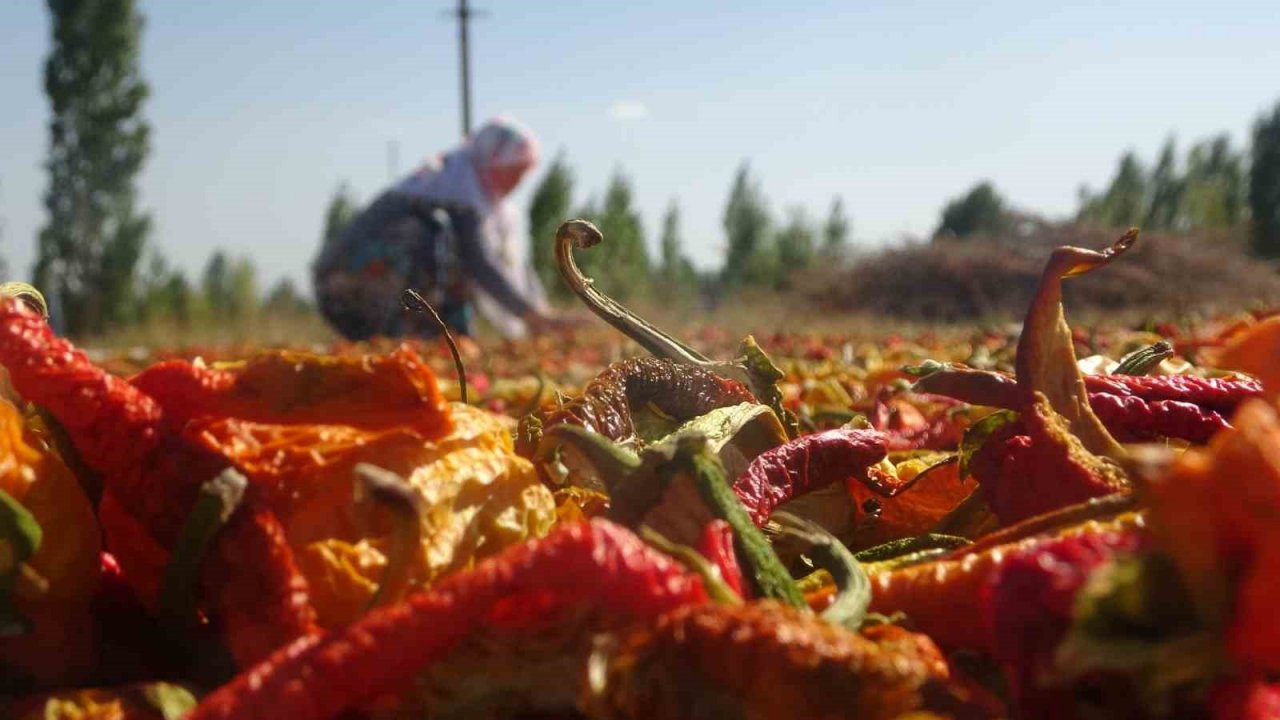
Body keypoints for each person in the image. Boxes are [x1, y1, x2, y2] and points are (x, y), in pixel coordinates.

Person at [312, 117, 563, 340]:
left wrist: (538, 310)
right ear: (492, 161)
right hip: (346, 291)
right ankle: (414, 336)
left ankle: (438, 337)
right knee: (437, 234)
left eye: (523, 173)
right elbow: (480, 262)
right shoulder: (454, 188)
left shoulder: (468, 192)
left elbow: (506, 262)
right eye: (512, 171)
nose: (518, 182)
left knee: (445, 238)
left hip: (359, 293)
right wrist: (532, 315)